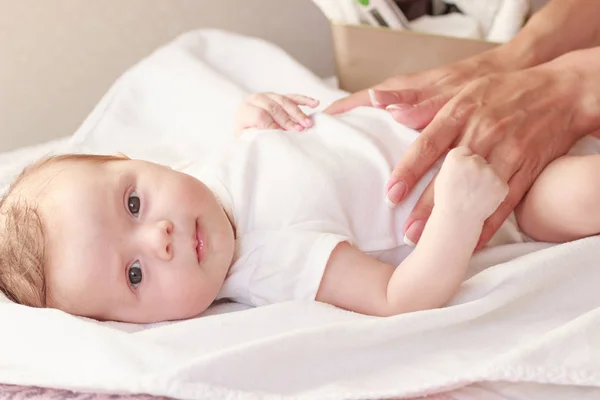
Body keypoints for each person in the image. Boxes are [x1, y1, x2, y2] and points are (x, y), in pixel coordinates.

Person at [1, 91, 599, 324]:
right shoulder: (272, 261)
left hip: (446, 117)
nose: (157, 236)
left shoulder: (197, 177)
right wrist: (459, 215)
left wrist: (252, 118)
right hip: (500, 189)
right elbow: (400, 298)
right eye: (134, 275)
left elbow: (248, 157)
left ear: (129, 159)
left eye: (132, 201)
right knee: (578, 194)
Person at [325, 0, 600, 249]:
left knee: (581, 191)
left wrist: (570, 84)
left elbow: (394, 298)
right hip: (505, 182)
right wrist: (513, 58)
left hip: (512, 180)